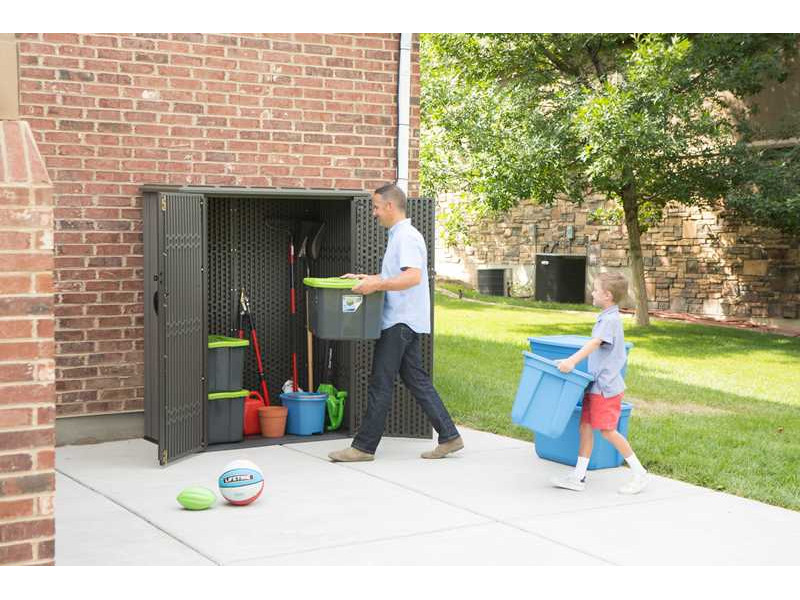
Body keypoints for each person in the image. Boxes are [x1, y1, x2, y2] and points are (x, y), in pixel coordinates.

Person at [328, 184, 463, 462]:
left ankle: (363, 447)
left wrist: (378, 283)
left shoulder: (407, 237)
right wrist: (366, 277)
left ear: (390, 206)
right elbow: (395, 275)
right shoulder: (399, 236)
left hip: (400, 322)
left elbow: (413, 277)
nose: (374, 213)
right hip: (404, 320)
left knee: (381, 382)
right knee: (415, 379)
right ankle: (449, 436)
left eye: (376, 207)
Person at [551, 272, 648, 494]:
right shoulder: (606, 317)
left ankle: (640, 473)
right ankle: (578, 476)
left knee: (607, 430)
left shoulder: (610, 320)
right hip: (596, 386)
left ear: (607, 295)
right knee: (585, 426)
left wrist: (572, 361)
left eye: (595, 289)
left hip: (606, 389)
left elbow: (595, 343)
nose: (592, 292)